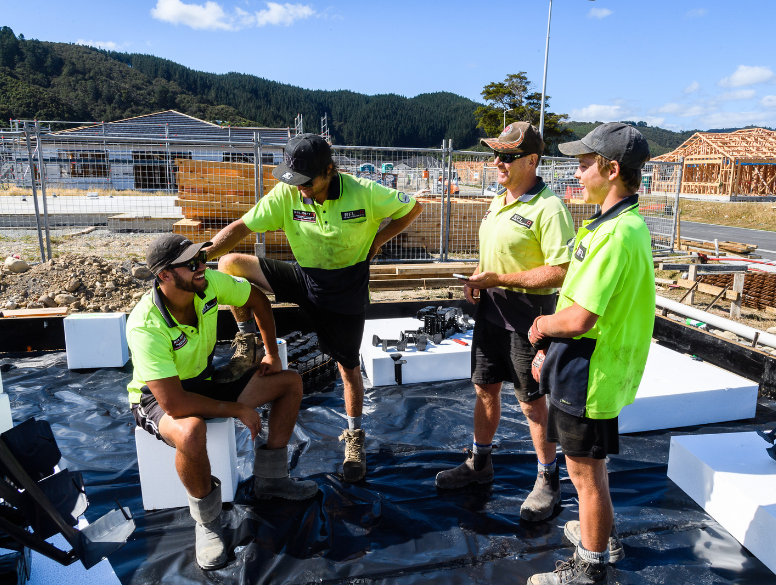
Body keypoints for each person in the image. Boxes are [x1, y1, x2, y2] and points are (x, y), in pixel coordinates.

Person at [204, 133, 425, 482]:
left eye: (307, 182)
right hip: (305, 277)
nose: (301, 190)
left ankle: (354, 438)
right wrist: (198, 258)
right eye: (294, 182)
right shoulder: (288, 192)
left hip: (344, 292)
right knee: (230, 262)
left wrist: (378, 240)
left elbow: (413, 206)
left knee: (348, 368)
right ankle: (247, 339)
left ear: (329, 171)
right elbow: (242, 227)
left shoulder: (364, 192)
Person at [126, 234, 318, 571]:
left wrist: (272, 353)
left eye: (201, 258)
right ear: (165, 276)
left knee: (289, 382)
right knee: (189, 432)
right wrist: (237, 409)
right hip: (156, 397)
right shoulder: (145, 326)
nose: (202, 266)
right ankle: (207, 521)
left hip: (204, 379)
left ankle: (271, 481)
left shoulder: (206, 283)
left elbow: (257, 299)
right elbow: (174, 403)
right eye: (191, 264)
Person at [526, 122, 655, 585]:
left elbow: (580, 318)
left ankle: (590, 566)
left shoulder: (616, 234)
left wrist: (541, 327)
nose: (576, 174)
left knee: (584, 472)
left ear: (612, 169)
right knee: (587, 471)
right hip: (581, 364)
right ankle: (599, 533)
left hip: (590, 371)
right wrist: (552, 353)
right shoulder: (613, 225)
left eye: (583, 165)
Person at [435, 122, 575, 524]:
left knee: (531, 404)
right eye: (495, 154)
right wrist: (480, 275)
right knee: (484, 388)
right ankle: (480, 464)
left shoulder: (549, 208)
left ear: (531, 161)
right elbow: (496, 253)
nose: (497, 161)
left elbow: (560, 271)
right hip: (491, 314)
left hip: (527, 320)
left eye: (507, 156)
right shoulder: (501, 199)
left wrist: (498, 279)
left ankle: (548, 480)